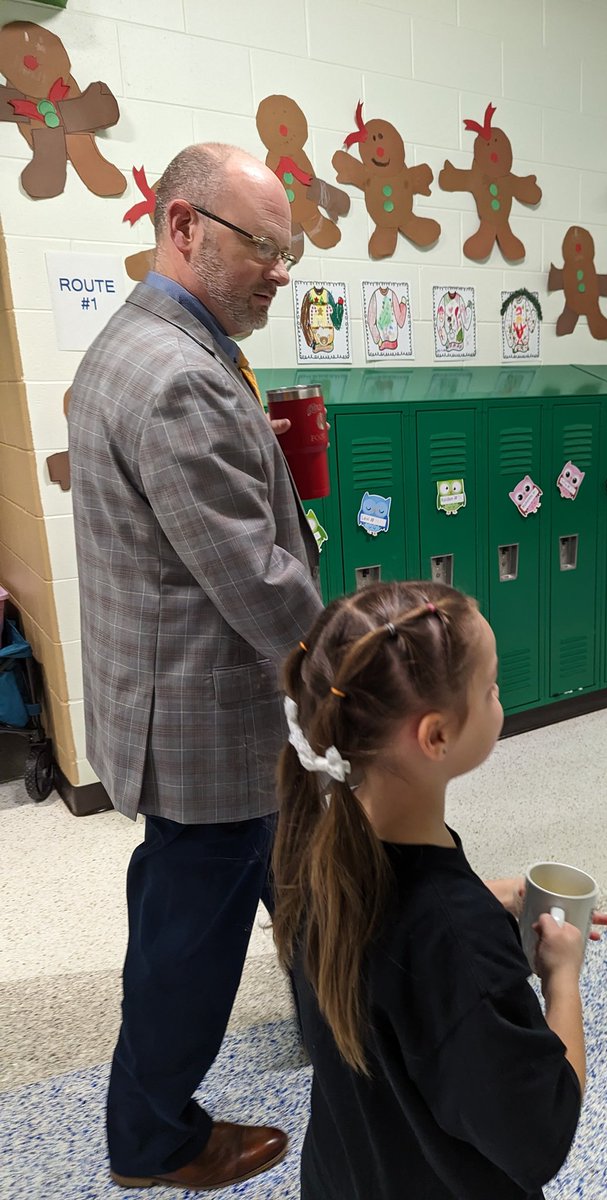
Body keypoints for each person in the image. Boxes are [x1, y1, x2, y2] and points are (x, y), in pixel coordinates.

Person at [68, 142, 323, 1189]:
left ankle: (341, 1026)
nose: (279, 272)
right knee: (189, 944)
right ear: (183, 226)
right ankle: (153, 1140)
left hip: (205, 706)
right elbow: (255, 579)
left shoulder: (154, 342)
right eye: (261, 246)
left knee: (301, 876)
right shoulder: (176, 376)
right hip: (207, 725)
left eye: (287, 252)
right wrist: (354, 666)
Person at [271, 580, 591, 1199]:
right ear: (436, 736)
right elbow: (541, 1133)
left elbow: (398, 962)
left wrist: (481, 899)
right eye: (492, 687)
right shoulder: (456, 941)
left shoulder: (322, 845)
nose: (501, 698)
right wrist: (562, 977)